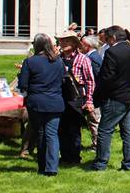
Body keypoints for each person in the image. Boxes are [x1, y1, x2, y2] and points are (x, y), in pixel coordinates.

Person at [91, 25, 130, 172]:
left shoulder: (112, 52)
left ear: (113, 38)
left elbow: (106, 77)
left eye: (107, 39)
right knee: (128, 131)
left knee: (105, 130)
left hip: (116, 97)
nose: (106, 43)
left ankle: (101, 163)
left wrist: (99, 95)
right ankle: (129, 163)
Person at [18, 33, 65, 176]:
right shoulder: (58, 61)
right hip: (55, 101)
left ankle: (42, 166)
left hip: (37, 102)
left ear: (36, 45)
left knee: (40, 133)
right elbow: (63, 80)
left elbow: (23, 85)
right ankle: (52, 167)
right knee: (52, 134)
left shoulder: (30, 62)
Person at [57, 31, 95, 164]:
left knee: (74, 129)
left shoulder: (83, 59)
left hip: (76, 98)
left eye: (66, 41)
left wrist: (89, 100)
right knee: (61, 128)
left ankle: (74, 157)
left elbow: (90, 81)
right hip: (60, 98)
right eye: (61, 41)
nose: (63, 43)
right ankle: (64, 156)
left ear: (74, 43)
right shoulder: (57, 59)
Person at [79, 35, 103, 150]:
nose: (80, 46)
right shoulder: (92, 56)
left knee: (94, 120)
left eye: (82, 44)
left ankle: (97, 145)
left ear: (87, 46)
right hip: (91, 95)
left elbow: (96, 78)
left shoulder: (92, 58)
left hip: (93, 95)